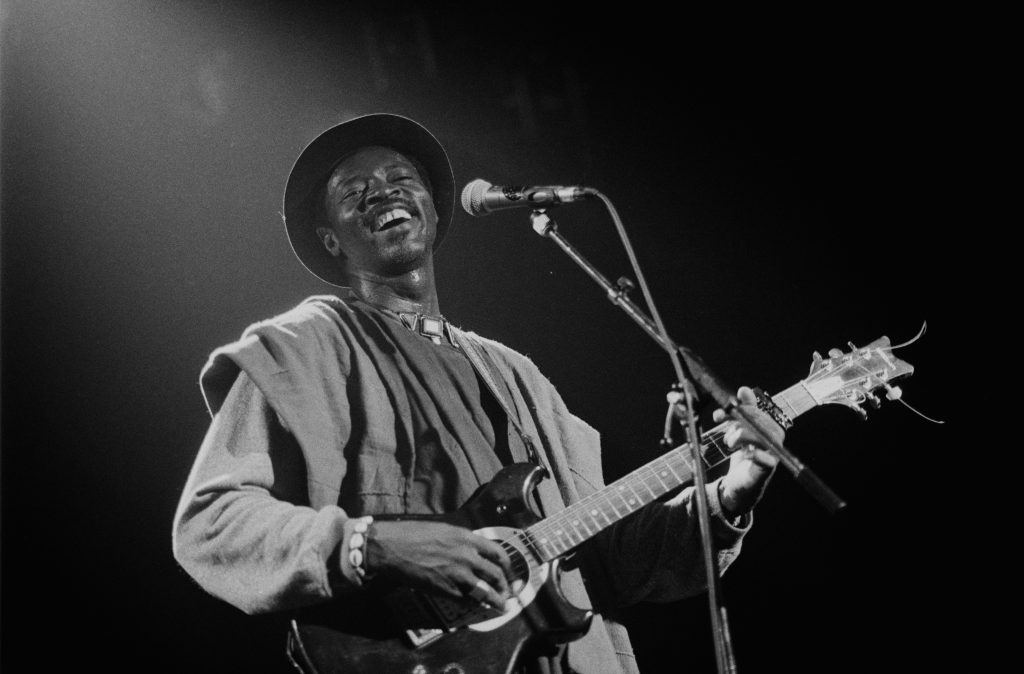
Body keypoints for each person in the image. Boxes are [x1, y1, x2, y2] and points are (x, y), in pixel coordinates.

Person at [172, 113, 784, 674]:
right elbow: (212, 523)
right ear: (331, 240)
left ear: (435, 214)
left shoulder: (516, 376)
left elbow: (607, 561)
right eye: (354, 191)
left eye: (399, 178)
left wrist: (733, 491)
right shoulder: (302, 347)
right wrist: (375, 544)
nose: (382, 192)